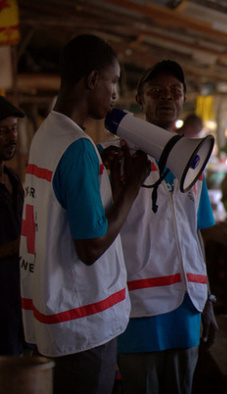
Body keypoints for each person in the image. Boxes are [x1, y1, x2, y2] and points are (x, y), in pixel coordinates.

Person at [19, 34, 150, 394]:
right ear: (92, 79)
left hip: (55, 316)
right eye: (113, 81)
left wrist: (104, 180)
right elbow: (90, 247)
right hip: (84, 328)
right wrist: (134, 184)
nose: (115, 93)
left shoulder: (49, 133)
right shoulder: (77, 147)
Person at [102, 60, 218, 394]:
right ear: (139, 99)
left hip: (187, 305)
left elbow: (196, 235)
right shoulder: (114, 156)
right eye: (156, 91)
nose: (166, 97)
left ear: (184, 100)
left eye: (175, 91)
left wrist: (207, 299)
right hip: (138, 305)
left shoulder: (195, 160)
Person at [0, 96, 25, 356]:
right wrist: (18, 247)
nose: (12, 137)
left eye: (14, 129)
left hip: (19, 303)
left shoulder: (13, 178)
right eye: (3, 131)